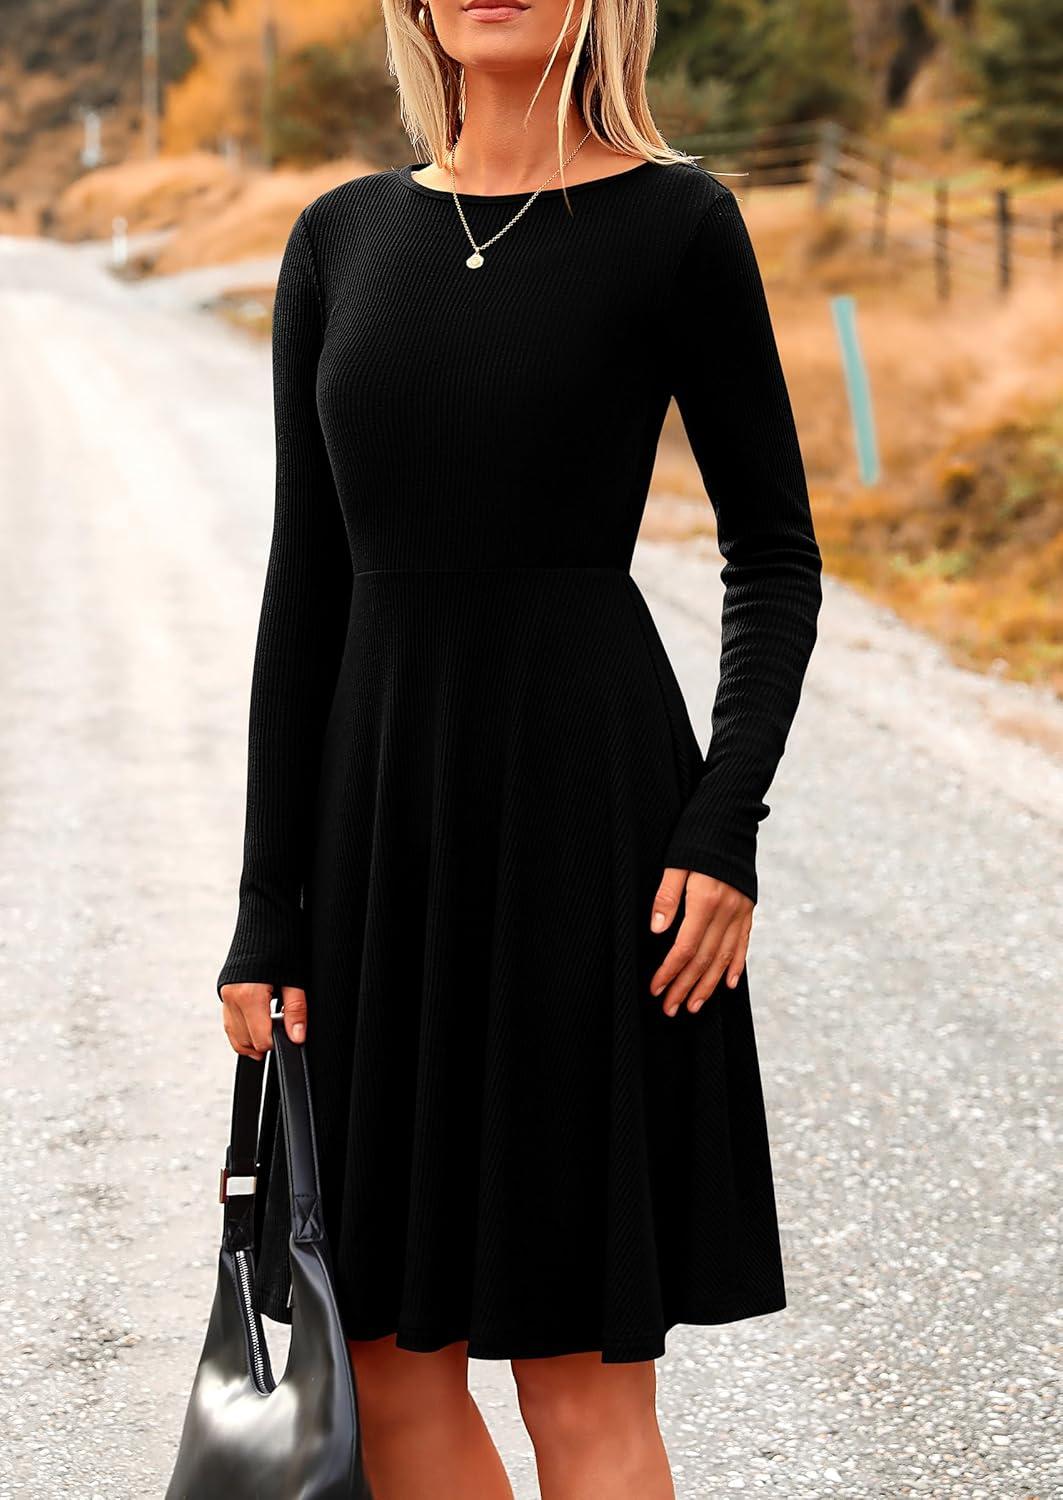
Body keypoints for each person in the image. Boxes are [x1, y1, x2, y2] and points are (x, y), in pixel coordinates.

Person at [216, 0, 823, 1495]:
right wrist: (267, 908)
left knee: (577, 1371)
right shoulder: (340, 238)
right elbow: (304, 590)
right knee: (381, 1362)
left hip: (588, 823)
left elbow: (775, 553)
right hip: (376, 837)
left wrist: (724, 822)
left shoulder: (677, 225)